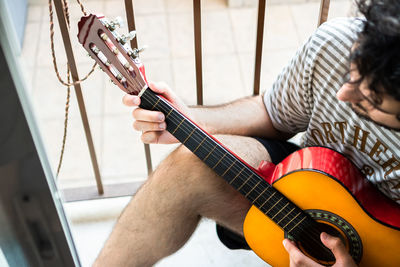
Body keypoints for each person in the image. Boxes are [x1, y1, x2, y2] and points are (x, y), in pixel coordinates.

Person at [93, 0, 400, 266]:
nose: (344, 93)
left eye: (371, 99)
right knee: (189, 166)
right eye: (352, 72)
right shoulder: (338, 43)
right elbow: (272, 113)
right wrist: (192, 119)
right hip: (309, 183)